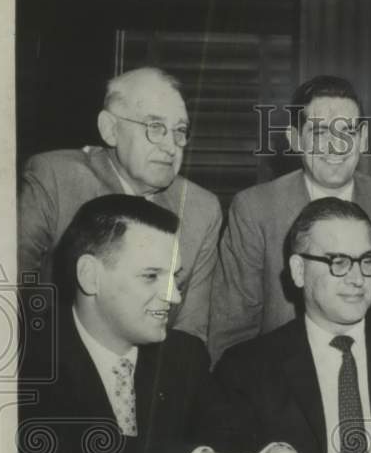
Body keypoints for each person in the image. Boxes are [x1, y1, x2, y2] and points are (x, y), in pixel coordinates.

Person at [18, 195, 319, 453]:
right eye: (151, 276)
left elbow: (231, 436)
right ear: (90, 276)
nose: (174, 297)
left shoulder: (183, 356)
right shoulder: (23, 359)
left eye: (175, 278)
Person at [199, 198, 371, 453]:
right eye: (338, 262)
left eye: (366, 261)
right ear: (299, 271)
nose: (357, 278)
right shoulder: (247, 369)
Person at [18, 67, 221, 342]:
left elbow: (190, 333)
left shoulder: (201, 209)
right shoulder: (55, 178)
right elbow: (9, 290)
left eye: (179, 131)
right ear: (110, 129)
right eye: (155, 127)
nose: (171, 147)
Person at [208, 75, 371, 363]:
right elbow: (231, 333)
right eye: (319, 132)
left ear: (363, 138)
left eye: (348, 132)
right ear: (295, 139)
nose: (336, 147)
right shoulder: (256, 210)